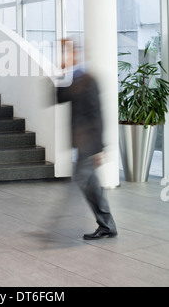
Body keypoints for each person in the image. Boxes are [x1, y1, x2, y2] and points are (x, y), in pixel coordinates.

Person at [55, 39, 117, 240]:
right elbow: (59, 98)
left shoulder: (90, 79)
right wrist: (62, 72)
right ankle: (107, 225)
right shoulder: (73, 78)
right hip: (81, 142)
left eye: (70, 53)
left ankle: (57, 223)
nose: (67, 56)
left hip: (90, 143)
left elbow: (97, 114)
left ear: (78, 55)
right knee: (91, 184)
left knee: (81, 180)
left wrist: (100, 148)